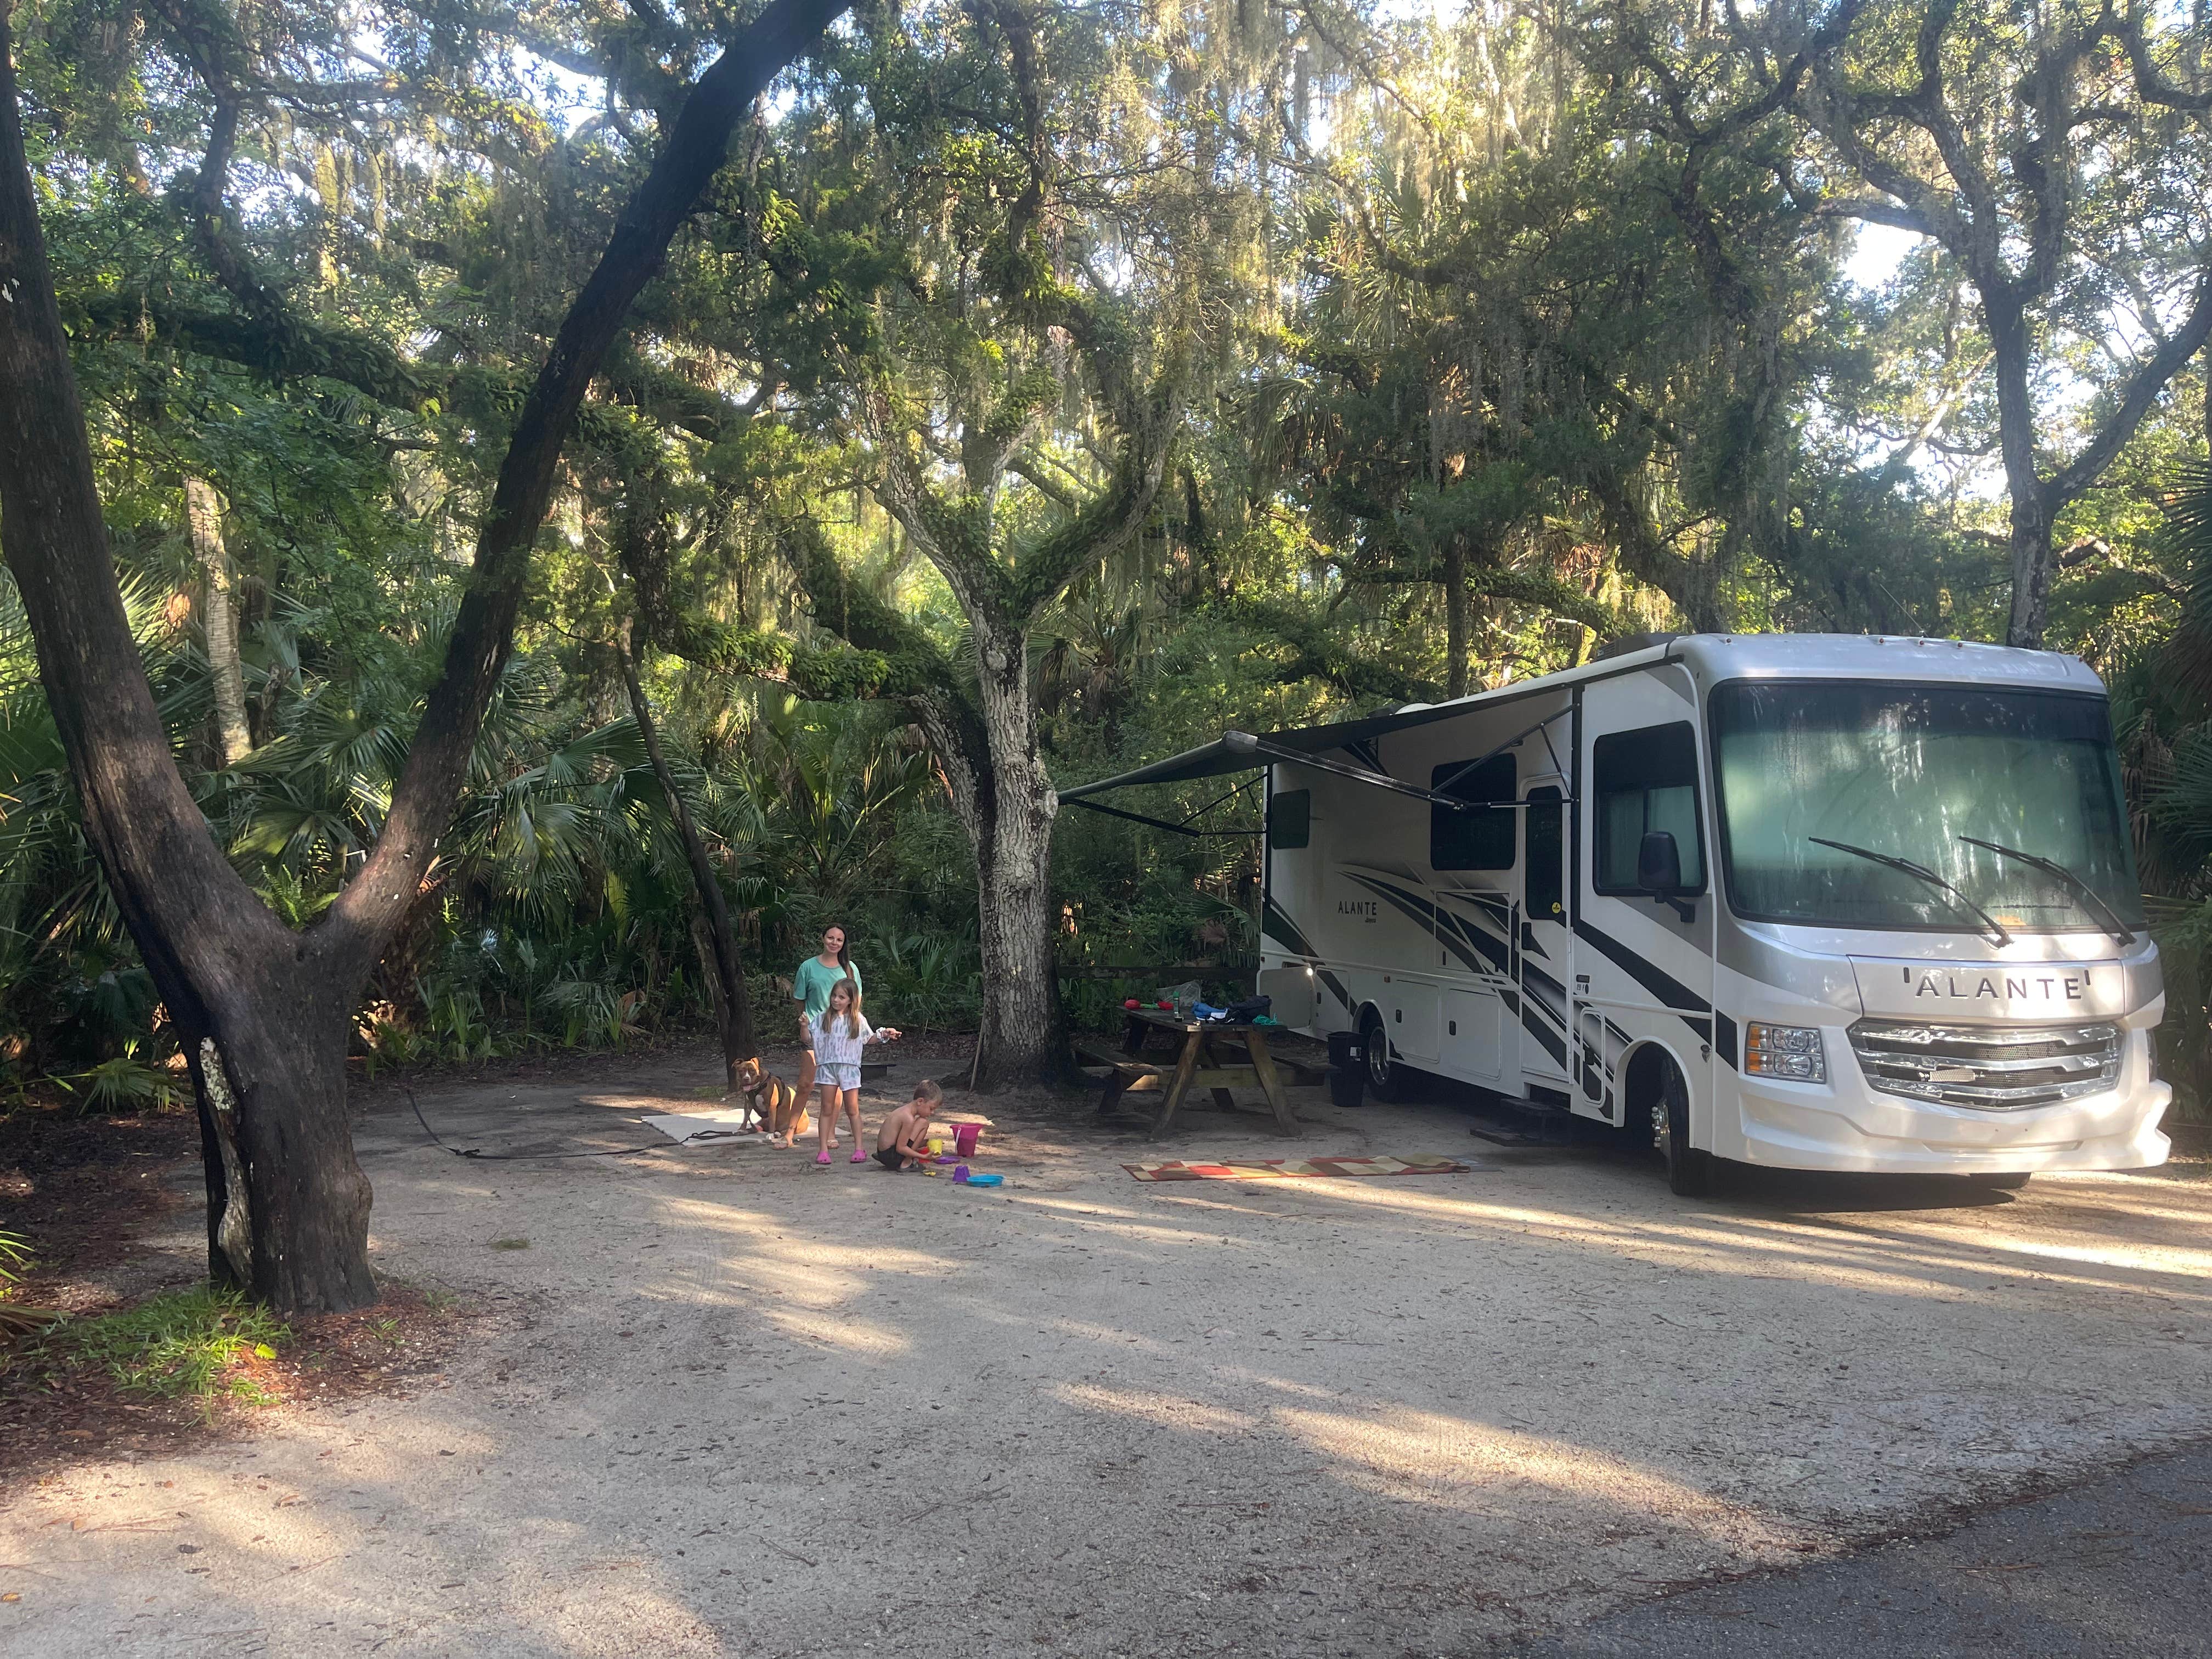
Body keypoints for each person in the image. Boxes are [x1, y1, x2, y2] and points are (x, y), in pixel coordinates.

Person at [810, 977, 900, 1166]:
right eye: (834, 996)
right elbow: (807, 1037)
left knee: (853, 1109)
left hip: (849, 1068)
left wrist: (884, 1034)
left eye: (841, 997)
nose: (836, 1000)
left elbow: (869, 1039)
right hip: (828, 1067)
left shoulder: (857, 1019)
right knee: (826, 1109)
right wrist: (803, 1026)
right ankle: (823, 1150)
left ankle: (859, 1148)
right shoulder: (822, 1018)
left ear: (851, 1000)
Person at [791, 924, 859, 1138]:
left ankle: (829, 1133)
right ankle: (789, 1132)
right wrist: (807, 1021)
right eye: (831, 938)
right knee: (806, 1083)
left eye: (839, 940)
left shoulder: (850, 969)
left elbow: (856, 1000)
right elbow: (799, 998)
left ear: (844, 943)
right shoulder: (808, 967)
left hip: (840, 1037)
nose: (834, 943)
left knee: (835, 1087)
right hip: (814, 1033)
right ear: (823, 939)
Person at [874, 1079, 944, 1172]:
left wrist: (926, 1143)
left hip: (883, 1154)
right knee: (923, 1123)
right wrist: (923, 1157)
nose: (932, 1113)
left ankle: (906, 1159)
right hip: (891, 1157)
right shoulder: (908, 1118)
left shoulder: (904, 1110)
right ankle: (906, 1163)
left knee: (921, 1122)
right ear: (920, 1101)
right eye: (931, 1108)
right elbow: (901, 1148)